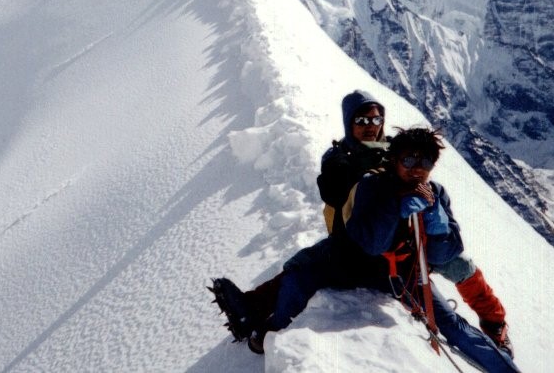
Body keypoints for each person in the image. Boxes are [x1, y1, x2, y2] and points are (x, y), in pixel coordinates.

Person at [211, 126, 518, 372]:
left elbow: (445, 254)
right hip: (354, 265)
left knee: (453, 326)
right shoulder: (372, 186)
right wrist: (397, 207)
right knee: (296, 281)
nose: (416, 170)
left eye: (425, 162)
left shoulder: (435, 194)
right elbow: (370, 243)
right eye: (409, 160)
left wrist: (436, 222)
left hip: (404, 274)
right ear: (394, 160)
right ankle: (269, 333)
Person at [319, 91, 511, 353]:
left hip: (410, 240)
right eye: (362, 121)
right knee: (307, 267)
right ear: (348, 122)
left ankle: (494, 321)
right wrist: (389, 191)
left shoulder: (392, 150)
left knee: (461, 265)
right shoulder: (339, 158)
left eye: (375, 121)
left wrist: (432, 215)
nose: (370, 127)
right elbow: (336, 191)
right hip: (364, 241)